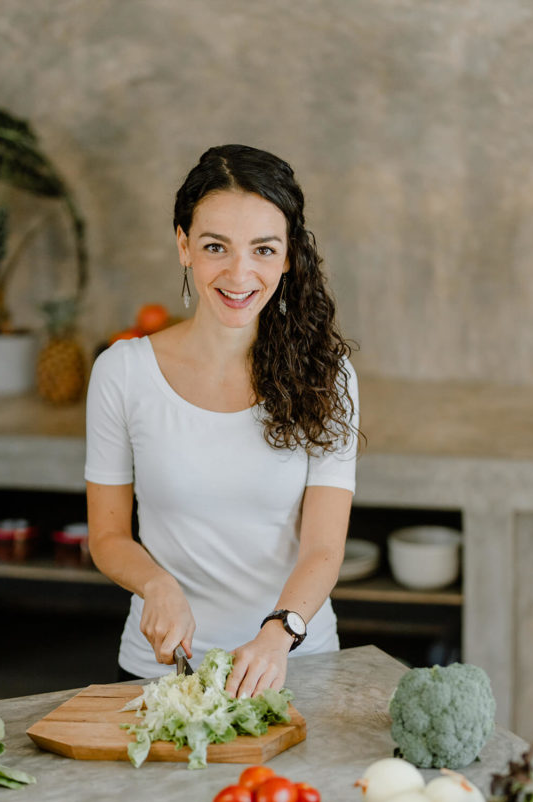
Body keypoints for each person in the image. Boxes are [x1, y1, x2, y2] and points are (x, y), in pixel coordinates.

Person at [85, 144, 359, 697]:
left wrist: (279, 633)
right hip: (159, 674)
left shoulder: (327, 377)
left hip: (293, 666)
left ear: (287, 257)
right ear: (184, 246)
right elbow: (108, 536)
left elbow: (324, 549)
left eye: (263, 249)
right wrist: (155, 583)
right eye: (216, 247)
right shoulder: (122, 373)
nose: (240, 274)